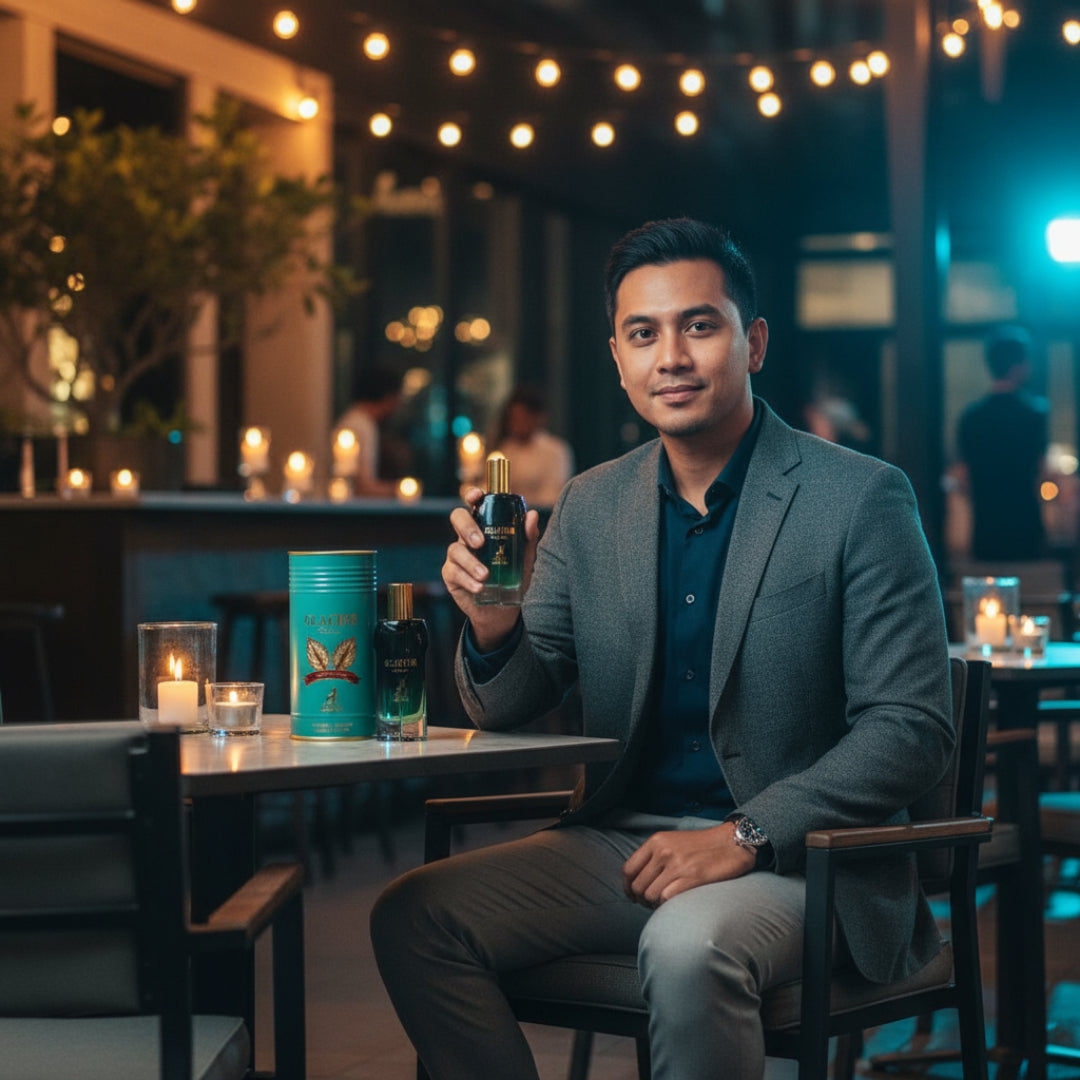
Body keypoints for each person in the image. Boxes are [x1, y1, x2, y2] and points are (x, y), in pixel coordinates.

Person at [370, 217, 954, 1080]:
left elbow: (911, 728)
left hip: (809, 861)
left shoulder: (859, 497)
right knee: (415, 916)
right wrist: (495, 628)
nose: (670, 356)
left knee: (686, 945)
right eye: (643, 334)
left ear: (752, 342)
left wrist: (746, 833)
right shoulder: (591, 505)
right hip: (625, 846)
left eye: (700, 325)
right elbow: (509, 702)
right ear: (617, 357)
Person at [956, 326, 1048, 561]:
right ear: (1018, 366)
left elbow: (963, 478)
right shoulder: (1034, 413)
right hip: (1025, 522)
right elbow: (1042, 471)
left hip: (986, 525)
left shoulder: (971, 417)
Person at [492, 384, 575, 506]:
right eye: (513, 419)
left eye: (522, 418)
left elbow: (553, 495)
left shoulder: (555, 450)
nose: (516, 425)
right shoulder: (505, 450)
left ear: (537, 418)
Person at [335, 366, 404, 497]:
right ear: (389, 398)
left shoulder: (353, 419)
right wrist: (402, 490)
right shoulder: (361, 425)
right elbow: (363, 487)